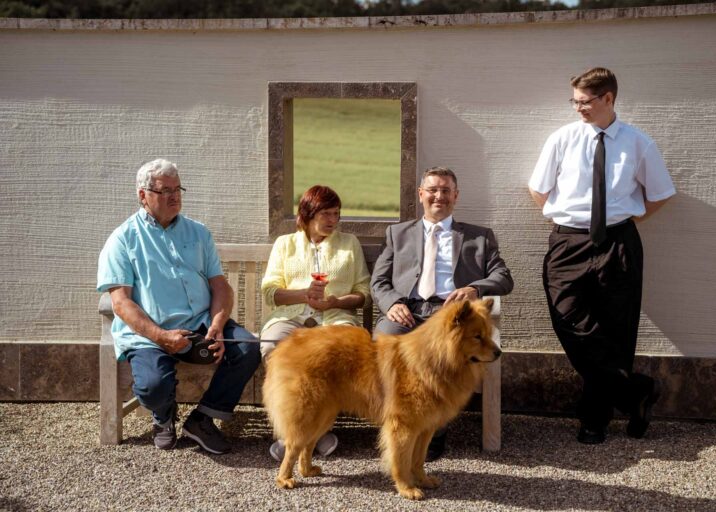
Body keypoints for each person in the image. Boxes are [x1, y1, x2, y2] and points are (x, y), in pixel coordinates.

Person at [528, 67, 676, 444]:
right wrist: (572, 222)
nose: (578, 108)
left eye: (584, 101)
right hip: (568, 244)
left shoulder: (639, 143)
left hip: (619, 244)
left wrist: (620, 223)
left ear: (608, 99)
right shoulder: (562, 139)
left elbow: (659, 194)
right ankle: (636, 391)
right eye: (574, 101)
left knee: (615, 331)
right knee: (570, 321)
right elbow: (538, 190)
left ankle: (595, 420)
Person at [97, 158, 261, 454]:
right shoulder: (122, 239)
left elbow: (219, 286)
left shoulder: (198, 232)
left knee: (247, 348)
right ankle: (163, 416)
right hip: (150, 332)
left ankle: (203, 419)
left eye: (178, 189)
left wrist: (217, 324)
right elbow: (120, 303)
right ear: (142, 195)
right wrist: (161, 337)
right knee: (152, 387)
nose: (174, 196)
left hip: (200, 323)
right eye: (164, 191)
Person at [370, 166, 514, 461]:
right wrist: (392, 303)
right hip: (407, 311)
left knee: (446, 355)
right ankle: (398, 426)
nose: (439, 196)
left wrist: (474, 288)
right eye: (433, 190)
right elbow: (379, 282)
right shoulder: (398, 234)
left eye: (446, 191)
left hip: (450, 317)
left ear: (456, 196)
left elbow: (504, 277)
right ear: (421, 194)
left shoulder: (479, 237)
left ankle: (433, 432)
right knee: (384, 338)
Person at [260, 185, 371, 461]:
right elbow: (269, 291)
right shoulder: (285, 244)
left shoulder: (349, 244)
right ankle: (308, 433)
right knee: (275, 345)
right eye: (326, 214)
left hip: (337, 319)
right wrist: (303, 295)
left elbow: (364, 295)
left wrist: (334, 302)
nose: (333, 220)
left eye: (337, 214)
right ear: (308, 214)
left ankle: (302, 434)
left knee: (340, 354)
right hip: (290, 317)